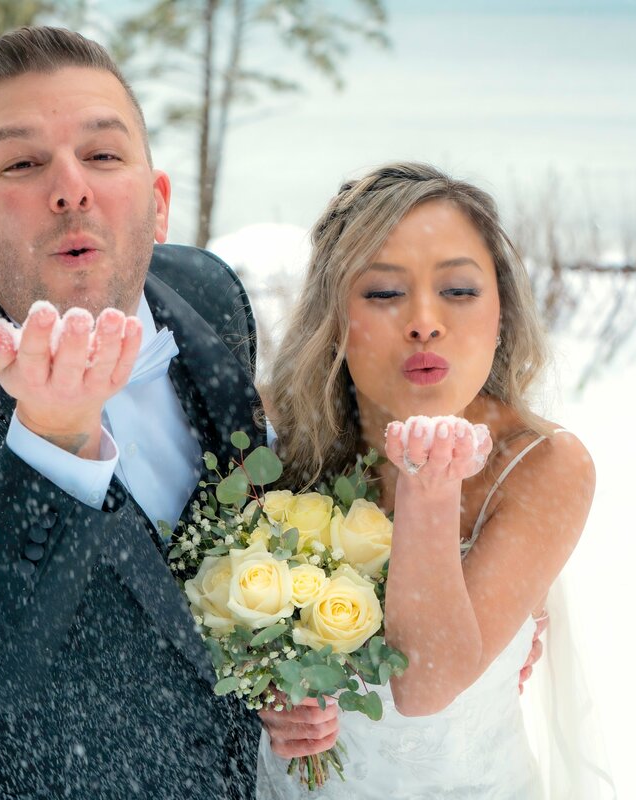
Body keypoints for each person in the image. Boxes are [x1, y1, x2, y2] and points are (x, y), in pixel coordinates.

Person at [0, 26, 263, 799]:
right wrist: (53, 441)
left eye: (103, 155)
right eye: (24, 163)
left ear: (159, 201)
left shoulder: (213, 295)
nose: (71, 187)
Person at [256, 163, 600, 798]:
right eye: (384, 294)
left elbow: (425, 685)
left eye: (460, 291)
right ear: (334, 313)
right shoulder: (270, 441)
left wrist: (429, 486)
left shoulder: (544, 466)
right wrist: (267, 694)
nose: (423, 321)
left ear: (503, 308)